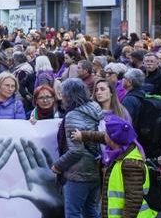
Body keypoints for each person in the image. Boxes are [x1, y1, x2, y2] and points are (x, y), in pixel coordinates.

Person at [70, 114, 157, 218]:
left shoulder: (130, 164)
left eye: (107, 134)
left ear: (112, 140)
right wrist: (82, 135)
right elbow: (101, 137)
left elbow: (133, 201)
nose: (104, 134)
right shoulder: (123, 146)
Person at [51, 78, 103, 218]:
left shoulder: (73, 115)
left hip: (78, 173)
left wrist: (58, 165)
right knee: (91, 210)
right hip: (96, 168)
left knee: (73, 213)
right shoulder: (95, 107)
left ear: (69, 95)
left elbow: (76, 151)